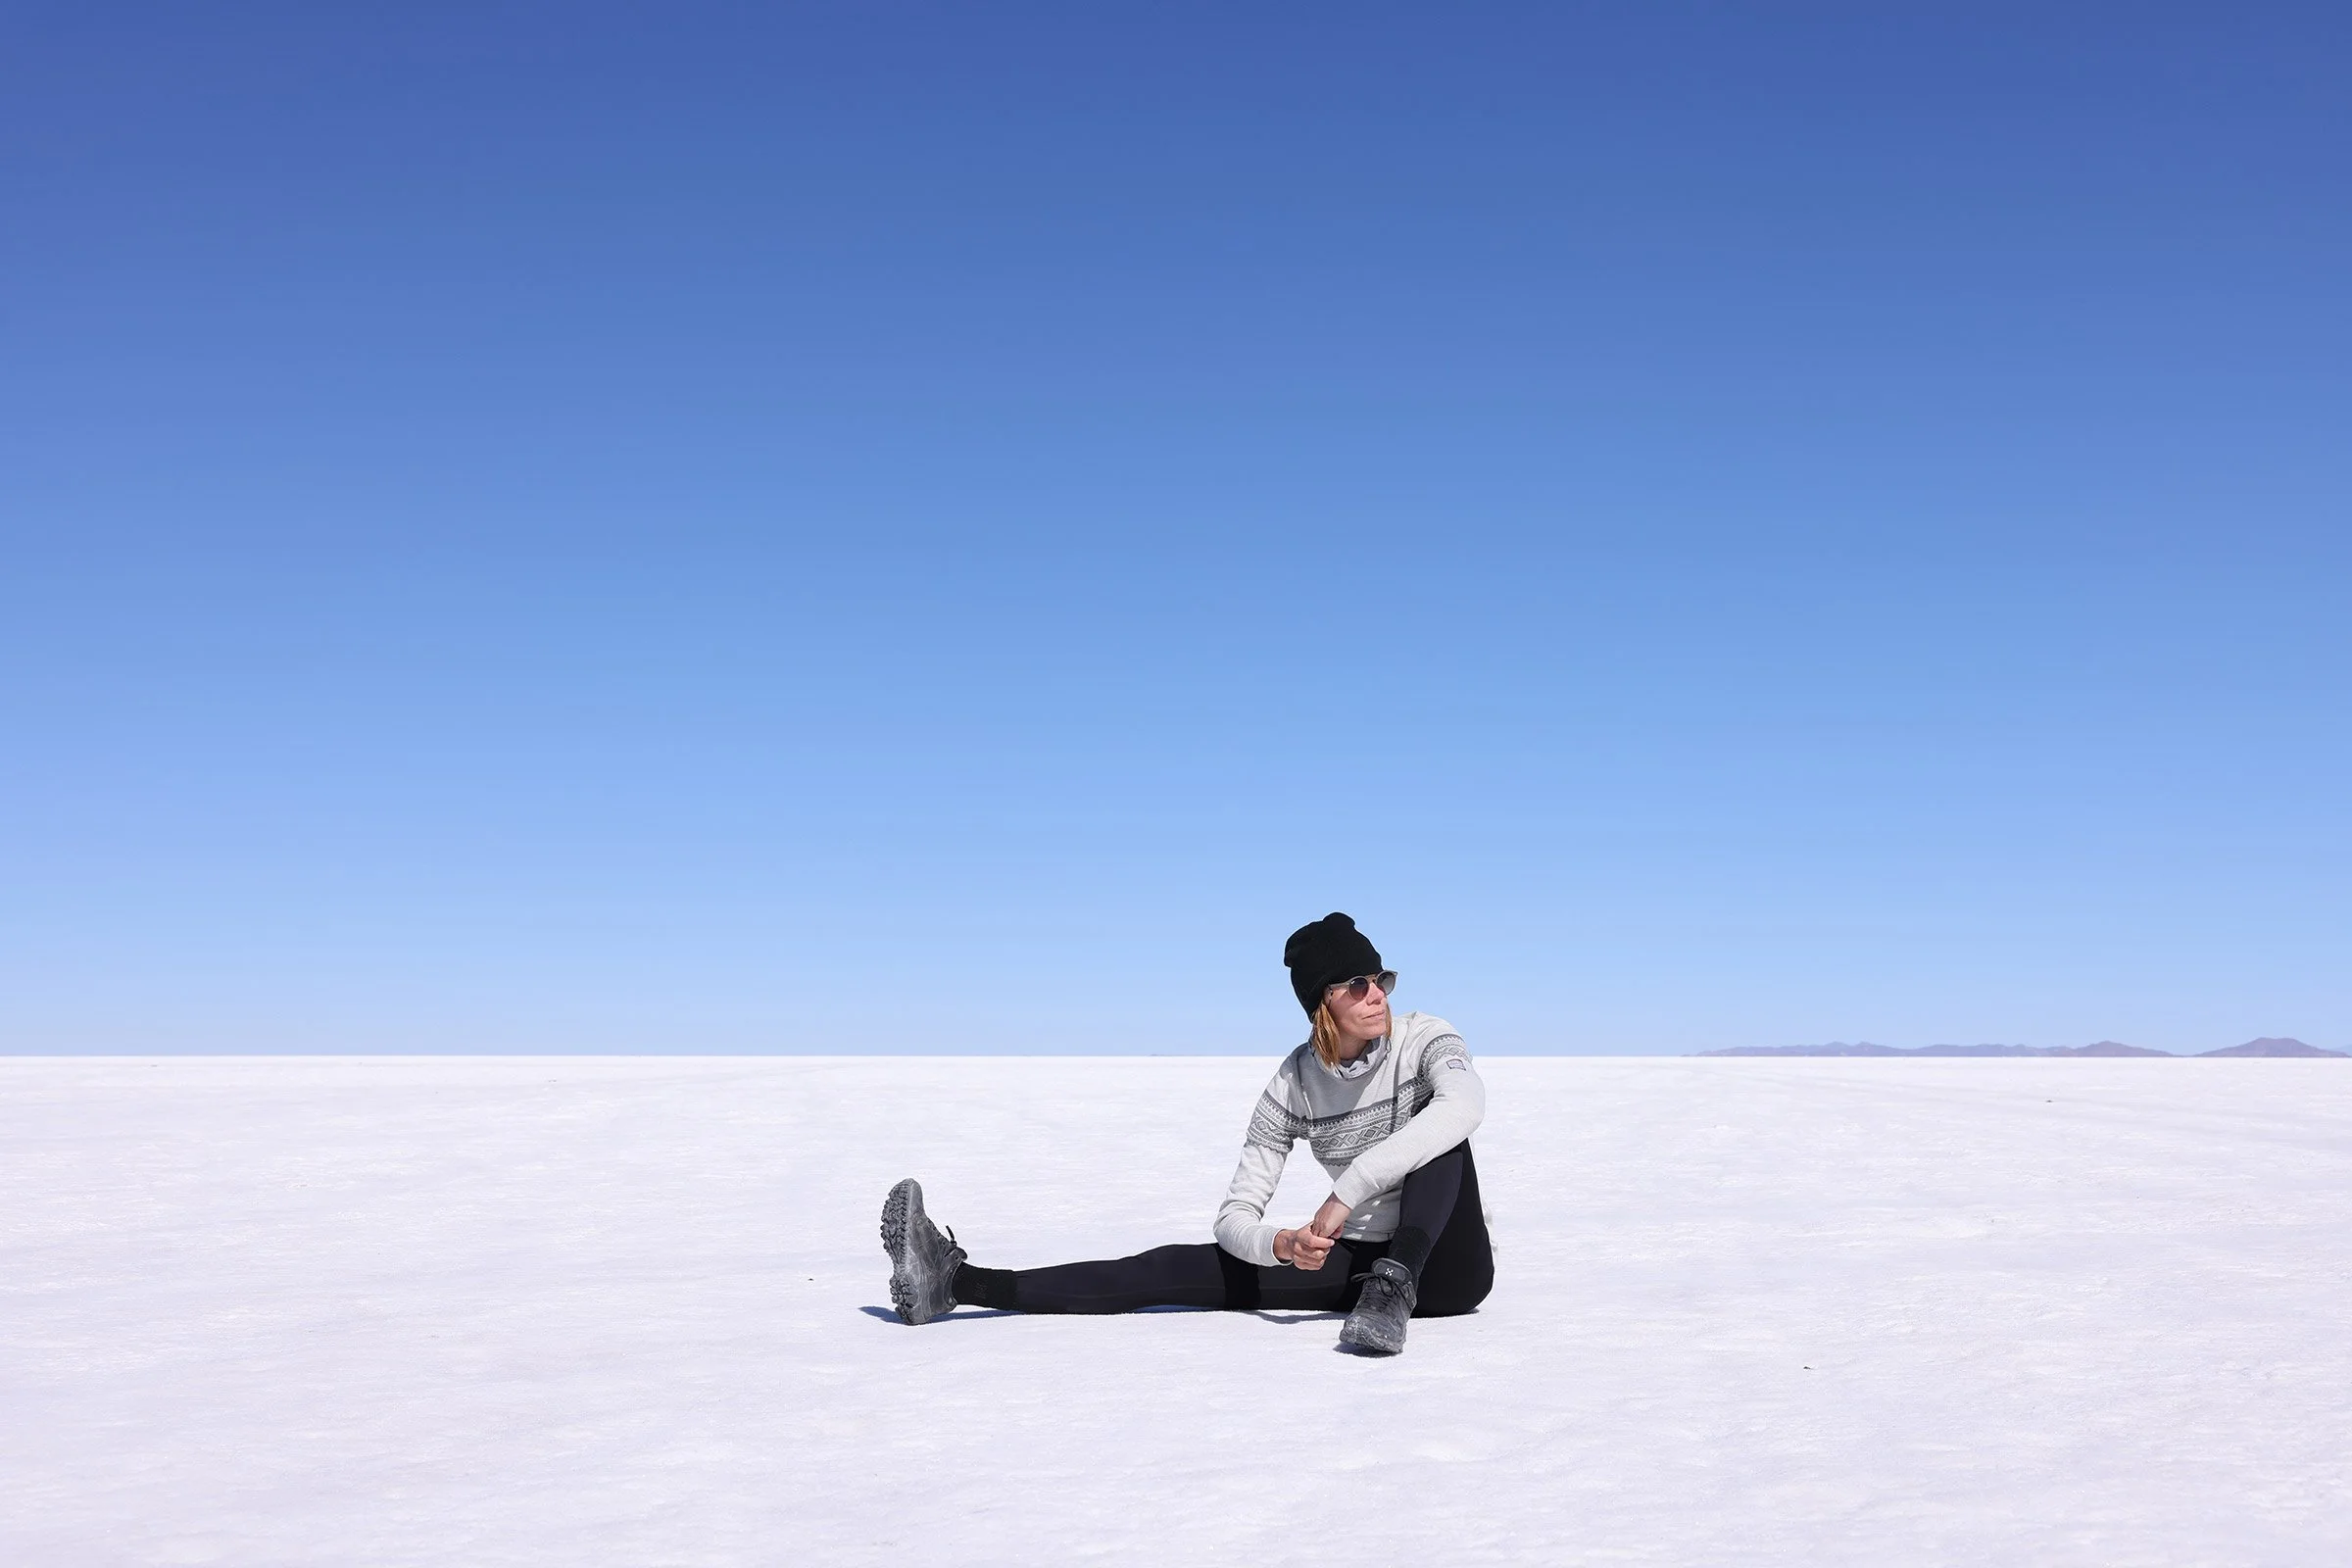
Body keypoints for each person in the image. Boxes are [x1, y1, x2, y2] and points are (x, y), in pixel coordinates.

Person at [879, 911, 1493, 1354]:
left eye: (1381, 979)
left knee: (1441, 1135)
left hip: (1447, 1267)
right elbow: (1234, 1217)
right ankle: (956, 1282)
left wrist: (1344, 1193)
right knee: (1164, 1268)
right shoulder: (1293, 1085)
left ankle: (1395, 1284)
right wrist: (1281, 1245)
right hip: (1360, 1262)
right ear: (1321, 1004)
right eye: (1357, 985)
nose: (1377, 996)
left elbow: (1465, 1105)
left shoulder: (1425, 1038)